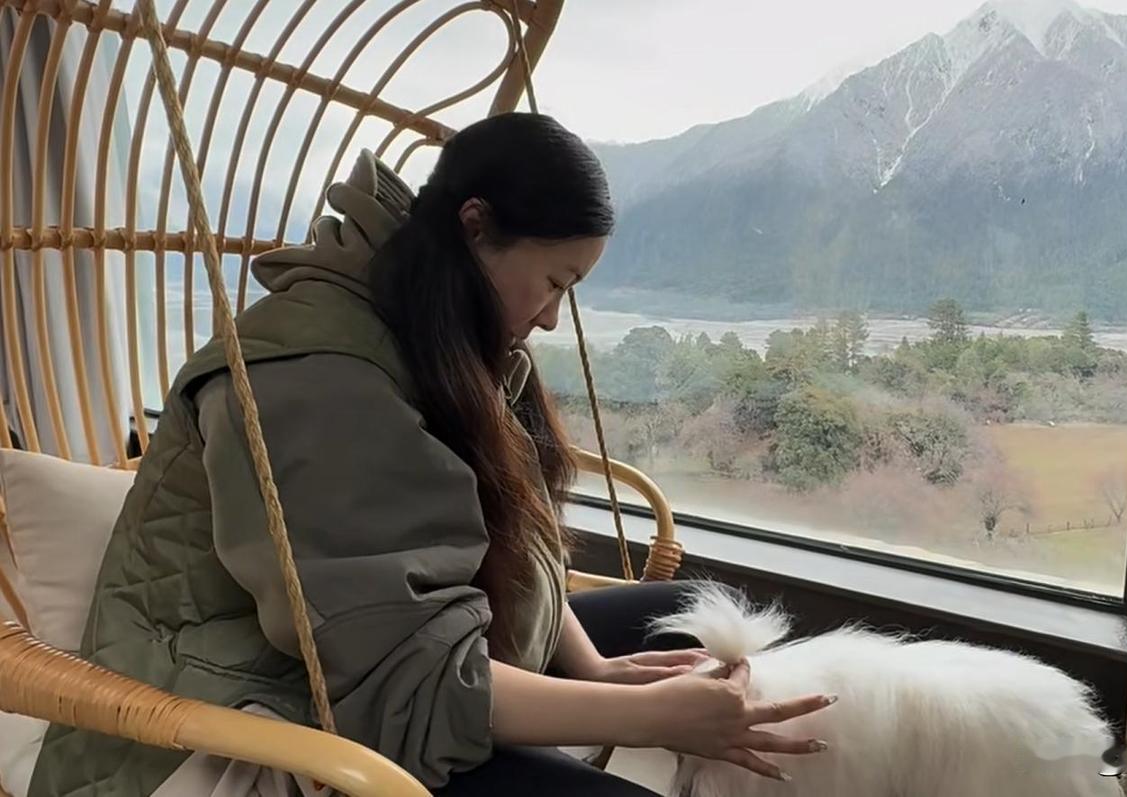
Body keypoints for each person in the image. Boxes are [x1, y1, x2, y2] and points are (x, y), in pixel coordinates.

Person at [27, 113, 831, 796]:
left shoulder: (430, 329)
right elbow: (403, 681)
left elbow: (501, 557)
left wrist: (592, 668)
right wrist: (645, 715)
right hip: (260, 711)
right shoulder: (315, 379)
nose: (553, 318)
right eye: (554, 281)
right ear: (476, 225)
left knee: (686, 609)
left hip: (414, 658)